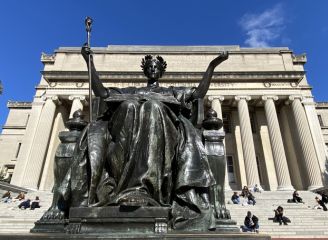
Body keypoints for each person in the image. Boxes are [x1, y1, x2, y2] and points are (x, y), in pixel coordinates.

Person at [57, 44, 229, 230]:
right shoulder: (131, 91)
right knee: (128, 105)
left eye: (156, 67)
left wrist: (212, 65)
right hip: (127, 136)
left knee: (152, 107)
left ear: (161, 72)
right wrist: (89, 62)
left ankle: (144, 187)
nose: (153, 69)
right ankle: (125, 187)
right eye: (150, 67)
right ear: (145, 71)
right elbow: (102, 93)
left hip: (164, 132)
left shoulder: (170, 92)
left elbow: (198, 94)